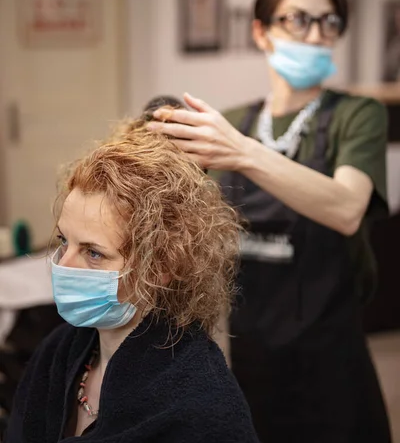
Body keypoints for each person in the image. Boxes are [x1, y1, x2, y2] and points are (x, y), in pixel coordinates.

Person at [146, 0, 392, 442]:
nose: (317, 34)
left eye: (330, 21)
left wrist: (241, 151)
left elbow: (345, 208)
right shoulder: (233, 121)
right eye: (298, 19)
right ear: (261, 32)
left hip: (330, 358)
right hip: (248, 350)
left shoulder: (357, 115)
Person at [5, 120, 259, 442]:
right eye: (63, 241)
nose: (64, 265)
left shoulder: (203, 406)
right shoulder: (58, 352)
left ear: (161, 267)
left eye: (93, 253)